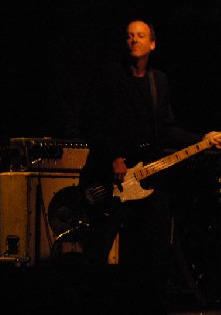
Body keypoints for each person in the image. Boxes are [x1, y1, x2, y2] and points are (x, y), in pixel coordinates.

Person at [78, 20, 221, 303]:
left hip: (147, 177)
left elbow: (167, 129)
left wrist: (202, 138)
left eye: (141, 36)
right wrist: (112, 158)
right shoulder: (109, 77)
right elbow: (91, 124)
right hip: (111, 179)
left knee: (151, 253)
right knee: (97, 252)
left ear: (152, 44)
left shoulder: (159, 81)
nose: (134, 40)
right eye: (130, 36)